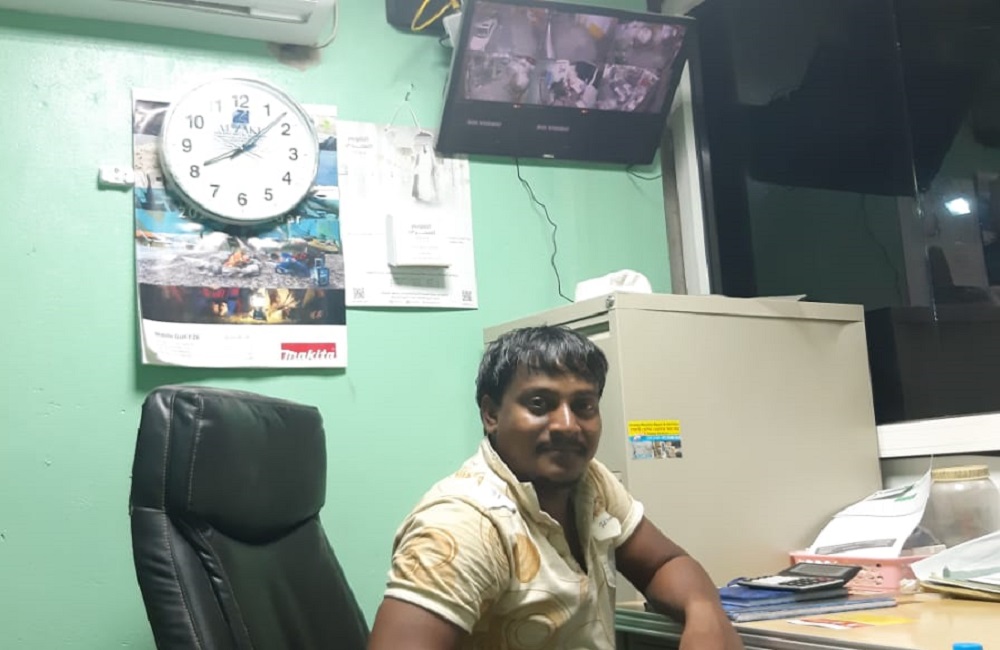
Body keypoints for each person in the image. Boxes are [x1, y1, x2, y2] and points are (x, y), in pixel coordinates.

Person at [368, 326, 744, 650]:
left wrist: (704, 611)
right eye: (539, 404)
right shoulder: (462, 524)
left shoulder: (591, 482)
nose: (567, 424)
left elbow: (664, 563)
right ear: (491, 414)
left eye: (584, 405)